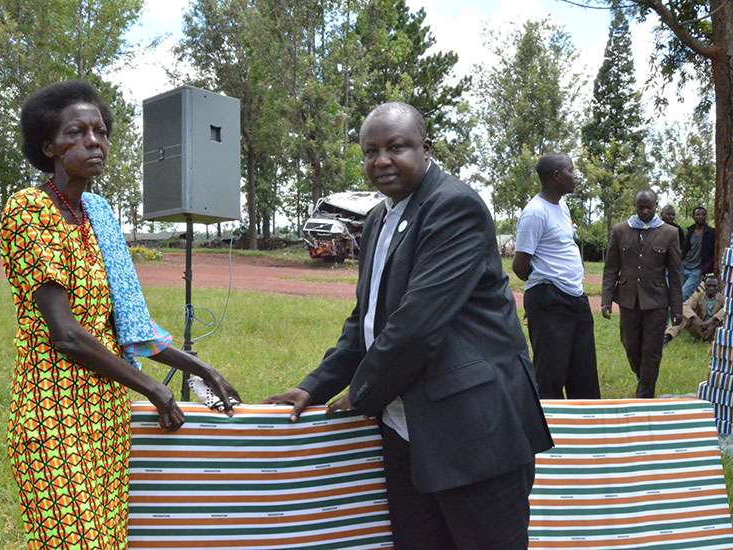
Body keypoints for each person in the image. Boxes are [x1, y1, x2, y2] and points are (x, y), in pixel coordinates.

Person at [264, 102, 552, 550]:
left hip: (475, 433)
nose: (381, 161)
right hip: (406, 430)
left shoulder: (454, 206)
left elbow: (416, 326)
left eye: (395, 147)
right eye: (369, 151)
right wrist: (314, 386)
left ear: (426, 148)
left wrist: (358, 395)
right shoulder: (379, 216)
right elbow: (368, 318)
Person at [0, 81, 240, 549]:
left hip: (105, 413)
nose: (94, 141)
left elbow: (127, 326)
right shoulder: (27, 211)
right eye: (77, 132)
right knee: (72, 541)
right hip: (52, 414)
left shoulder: (99, 214)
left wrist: (200, 368)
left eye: (101, 131)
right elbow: (66, 334)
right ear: (47, 146)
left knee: (106, 541)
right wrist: (154, 389)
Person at [512, 153, 600, 399]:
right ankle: (547, 432)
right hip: (550, 299)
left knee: (583, 371)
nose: (576, 176)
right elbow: (520, 266)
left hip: (575, 297)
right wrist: (547, 283)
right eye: (571, 170)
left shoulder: (561, 206)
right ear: (556, 176)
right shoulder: (534, 213)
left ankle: (584, 427)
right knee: (551, 371)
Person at [601, 189, 682, 398]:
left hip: (657, 302)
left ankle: (644, 395)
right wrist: (606, 300)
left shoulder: (669, 233)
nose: (645, 211)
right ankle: (644, 380)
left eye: (649, 207)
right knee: (630, 345)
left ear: (656, 206)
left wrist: (677, 308)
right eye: (640, 207)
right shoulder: (620, 231)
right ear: (634, 206)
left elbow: (675, 274)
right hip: (628, 300)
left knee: (651, 350)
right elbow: (610, 268)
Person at [665, 276, 725, 344]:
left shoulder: (722, 299)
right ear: (705, 286)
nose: (711, 288)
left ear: (718, 287)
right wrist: (696, 318)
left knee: (727, 315)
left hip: (715, 330)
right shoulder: (698, 296)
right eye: (709, 286)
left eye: (714, 286)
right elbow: (685, 306)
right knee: (683, 317)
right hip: (699, 328)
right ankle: (667, 337)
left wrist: (713, 319)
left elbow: (727, 309)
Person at [681, 206, 715, 301]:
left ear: (706, 217)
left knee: (684, 294)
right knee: (675, 293)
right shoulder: (690, 231)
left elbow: (712, 254)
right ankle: (673, 315)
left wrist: (704, 269)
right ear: (693, 217)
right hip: (684, 266)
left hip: (696, 270)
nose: (700, 216)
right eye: (697, 214)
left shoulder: (711, 232)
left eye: (702, 214)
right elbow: (685, 249)